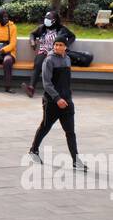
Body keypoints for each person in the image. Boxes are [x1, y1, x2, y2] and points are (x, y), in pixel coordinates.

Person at [27, 37, 87, 169]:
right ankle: (33, 150)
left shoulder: (67, 59)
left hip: (67, 102)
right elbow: (47, 84)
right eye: (56, 45)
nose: (57, 47)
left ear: (65, 47)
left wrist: (67, 97)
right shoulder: (48, 60)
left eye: (61, 45)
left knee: (70, 132)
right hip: (52, 102)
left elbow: (65, 81)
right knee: (45, 126)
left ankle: (76, 160)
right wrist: (57, 98)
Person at [23, 9, 75, 97]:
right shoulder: (42, 28)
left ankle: (57, 90)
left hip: (56, 53)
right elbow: (32, 34)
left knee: (54, 65)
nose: (46, 20)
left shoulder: (61, 29)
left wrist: (66, 46)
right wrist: (32, 42)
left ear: (55, 21)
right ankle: (31, 88)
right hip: (44, 51)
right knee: (38, 64)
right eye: (46, 18)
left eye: (49, 18)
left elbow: (72, 36)